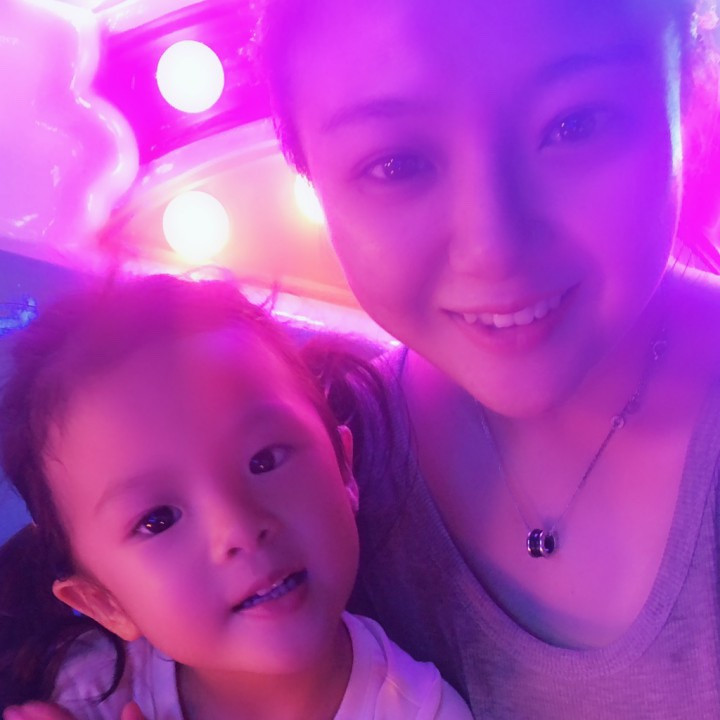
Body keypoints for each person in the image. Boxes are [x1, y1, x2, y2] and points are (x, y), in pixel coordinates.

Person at [253, 0, 720, 717]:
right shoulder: (296, 477)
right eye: (398, 164)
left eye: (574, 125)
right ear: (309, 175)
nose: (493, 246)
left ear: (687, 98)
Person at [0, 275, 472, 720]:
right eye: (158, 519)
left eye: (264, 460)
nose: (240, 528)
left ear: (343, 467)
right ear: (106, 603)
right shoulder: (88, 694)